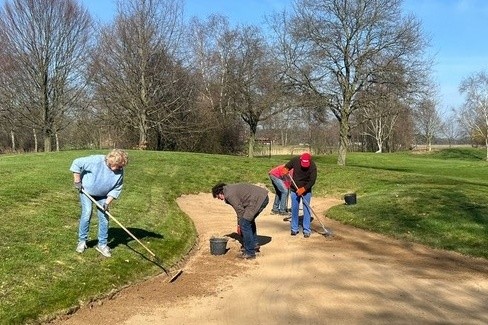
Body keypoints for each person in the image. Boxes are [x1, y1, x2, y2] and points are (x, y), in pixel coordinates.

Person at [70, 149, 128, 257]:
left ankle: (102, 245)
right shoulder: (95, 161)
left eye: (121, 167)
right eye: (118, 166)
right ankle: (82, 241)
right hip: (86, 191)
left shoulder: (119, 171)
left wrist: (107, 202)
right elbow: (76, 163)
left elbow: (116, 188)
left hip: (103, 195)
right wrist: (77, 181)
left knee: (104, 218)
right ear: (111, 161)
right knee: (87, 213)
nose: (120, 169)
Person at [212, 182, 269, 260]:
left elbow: (240, 211)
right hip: (260, 197)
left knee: (245, 224)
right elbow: (240, 210)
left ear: (220, 193)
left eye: (218, 197)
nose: (220, 199)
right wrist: (239, 223)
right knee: (248, 220)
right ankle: (254, 245)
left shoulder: (229, 195)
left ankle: (250, 252)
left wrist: (240, 224)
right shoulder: (228, 190)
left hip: (259, 199)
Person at [283, 152, 317, 238]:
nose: (305, 165)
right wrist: (285, 169)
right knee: (295, 209)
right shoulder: (295, 160)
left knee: (306, 209)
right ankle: (294, 228)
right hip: (294, 189)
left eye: (306, 164)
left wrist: (304, 189)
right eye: (303, 163)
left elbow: (312, 181)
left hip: (306, 190)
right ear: (301, 159)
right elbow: (287, 167)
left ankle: (306, 229)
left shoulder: (313, 166)